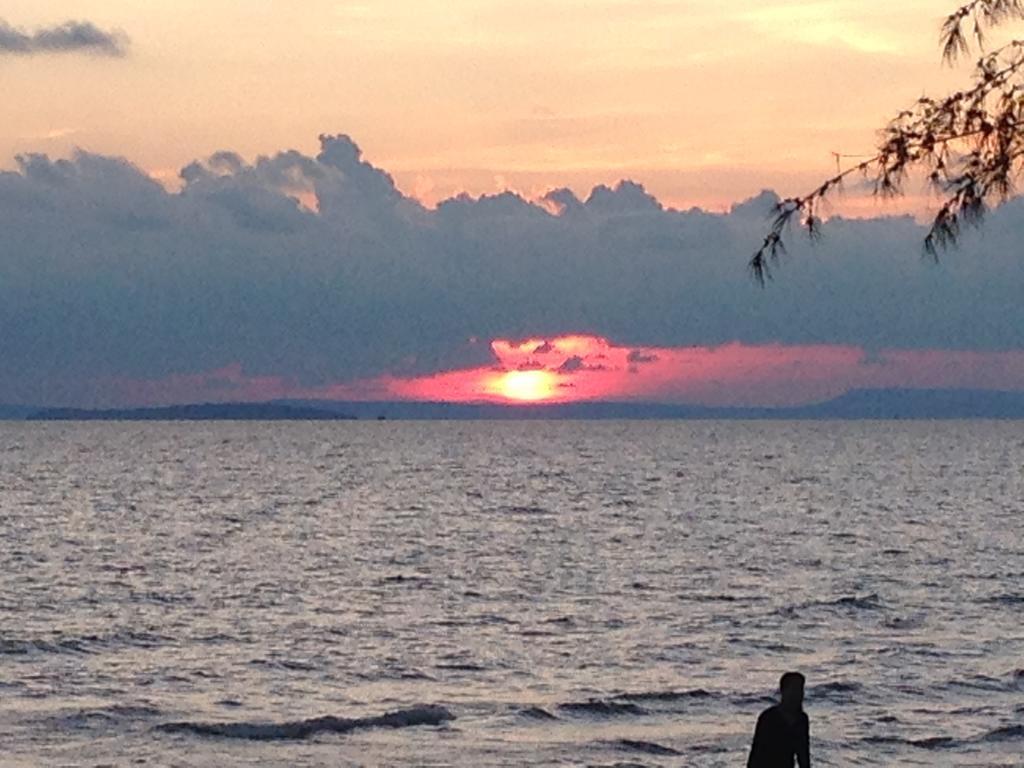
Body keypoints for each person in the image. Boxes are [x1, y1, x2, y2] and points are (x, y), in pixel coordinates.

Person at [747, 671, 810, 768]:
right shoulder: (768, 718)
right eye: (793, 689)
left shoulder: (802, 720)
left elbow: (803, 755)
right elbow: (756, 753)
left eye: (800, 690)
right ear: (783, 691)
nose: (797, 694)